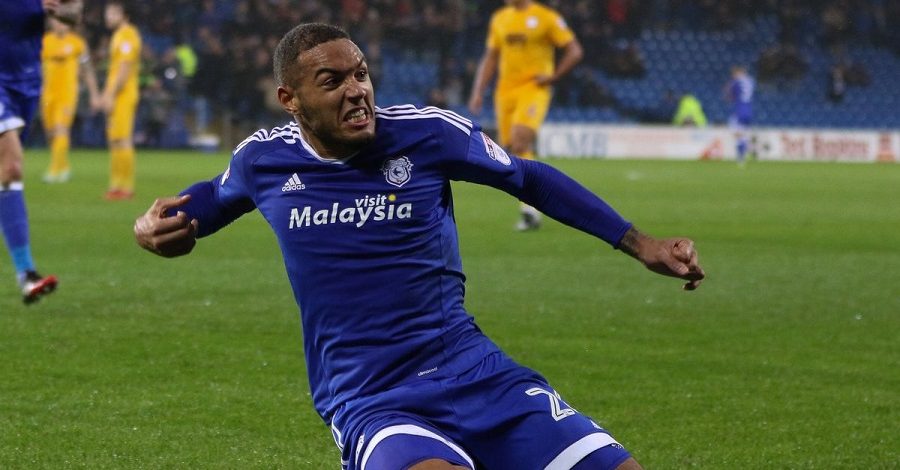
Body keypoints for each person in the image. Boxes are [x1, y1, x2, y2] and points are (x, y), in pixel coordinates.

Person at [134, 23, 705, 470]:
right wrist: (152, 228)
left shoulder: (427, 133)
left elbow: (527, 178)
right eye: (332, 82)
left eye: (361, 74)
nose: (357, 91)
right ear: (291, 98)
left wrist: (640, 243)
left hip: (477, 372)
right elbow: (207, 201)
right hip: (374, 398)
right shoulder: (264, 161)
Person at [467, 0, 583, 231]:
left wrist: (553, 77)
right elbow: (491, 56)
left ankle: (531, 210)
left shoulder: (546, 17)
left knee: (520, 141)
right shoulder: (500, 18)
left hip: (533, 89)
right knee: (511, 149)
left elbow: (574, 50)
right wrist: (478, 91)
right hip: (504, 92)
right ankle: (530, 208)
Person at [0, 0, 81, 304]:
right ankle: (27, 273)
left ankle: (25, 275)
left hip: (28, 83)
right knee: (11, 166)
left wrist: (56, 9)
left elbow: (74, 14)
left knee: (5, 175)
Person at [40, 15, 99, 183]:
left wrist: (94, 94)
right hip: (47, 94)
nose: (59, 24)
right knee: (51, 133)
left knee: (61, 129)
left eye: (62, 21)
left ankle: (55, 170)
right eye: (56, 21)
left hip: (67, 94)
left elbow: (87, 70)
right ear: (51, 22)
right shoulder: (44, 41)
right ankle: (64, 167)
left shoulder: (77, 43)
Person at [98, 1, 141, 200]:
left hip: (123, 94)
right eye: (108, 13)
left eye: (114, 13)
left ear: (125, 15)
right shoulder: (118, 35)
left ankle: (126, 186)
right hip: (117, 94)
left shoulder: (127, 35)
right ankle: (116, 185)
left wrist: (110, 95)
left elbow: (124, 70)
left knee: (123, 139)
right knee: (115, 139)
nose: (109, 17)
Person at [724, 65, 754, 165]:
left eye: (734, 74)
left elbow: (728, 95)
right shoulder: (750, 81)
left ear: (738, 73)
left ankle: (741, 155)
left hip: (739, 110)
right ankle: (744, 151)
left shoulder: (736, 81)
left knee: (735, 131)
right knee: (743, 133)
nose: (733, 76)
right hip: (748, 110)